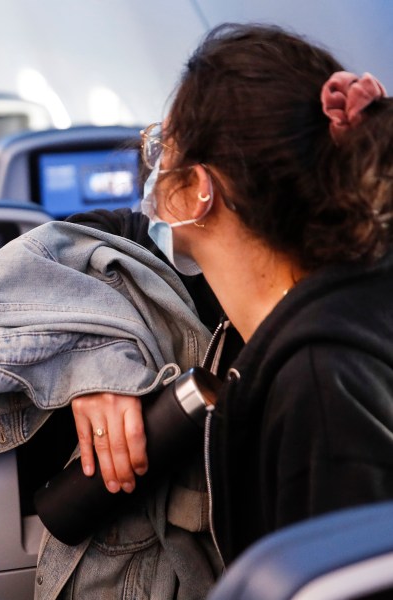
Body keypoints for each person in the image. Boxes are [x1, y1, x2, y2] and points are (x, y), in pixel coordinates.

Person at [75, 22, 392, 568]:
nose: (151, 165)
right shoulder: (338, 296)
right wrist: (92, 358)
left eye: (161, 145)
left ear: (199, 189)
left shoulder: (316, 381)